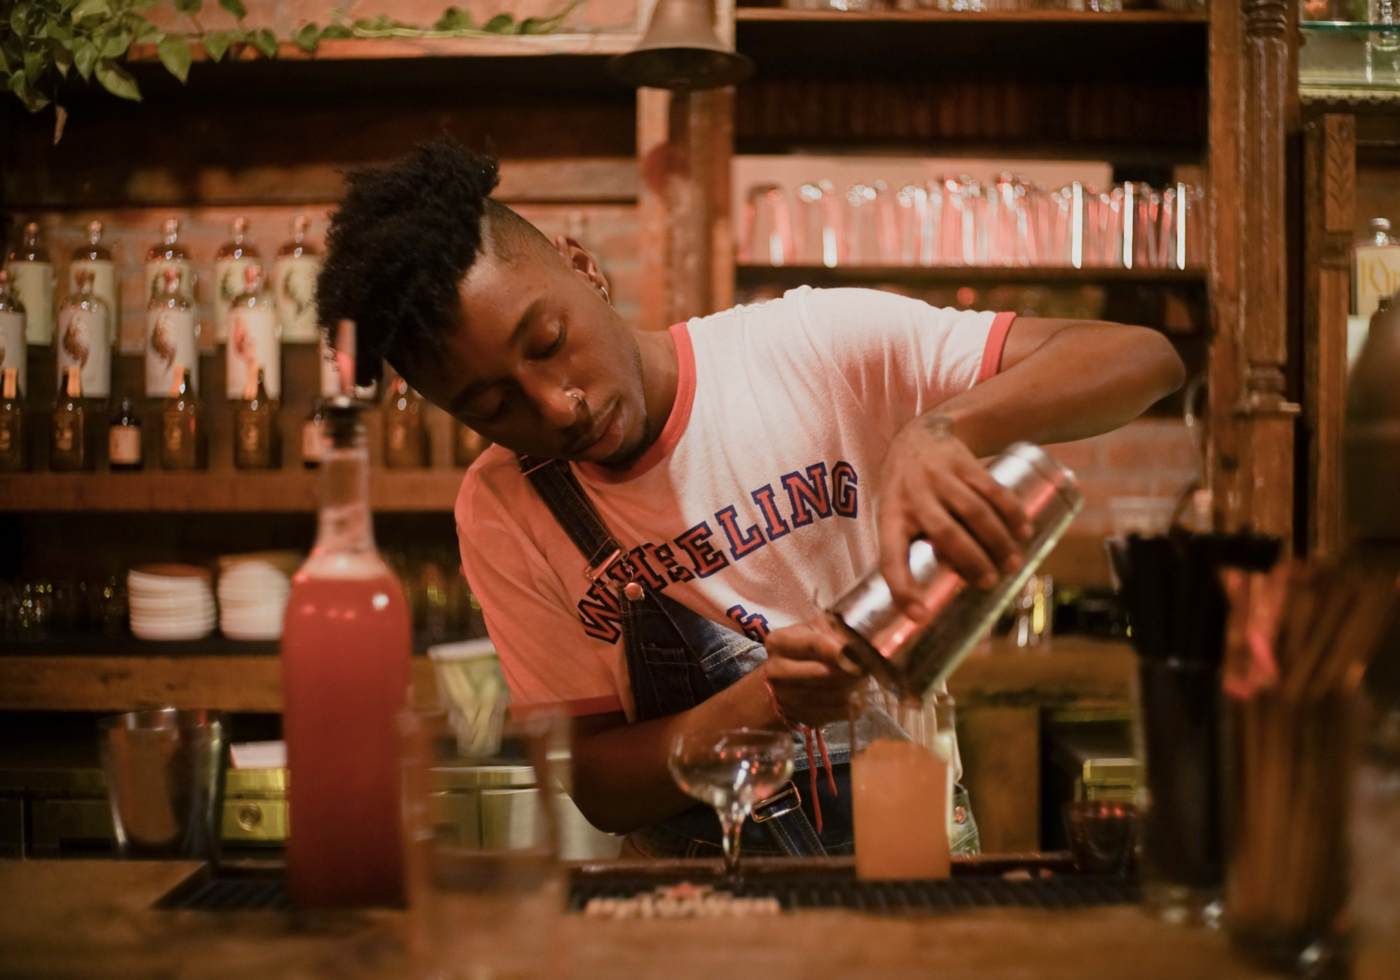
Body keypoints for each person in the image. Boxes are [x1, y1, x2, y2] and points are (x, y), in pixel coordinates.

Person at [317, 135, 1186, 856]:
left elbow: (1142, 358)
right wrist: (766, 702)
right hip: (695, 899)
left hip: (900, 840)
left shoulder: (812, 348)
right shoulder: (505, 507)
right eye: (492, 406)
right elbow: (597, 788)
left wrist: (946, 429)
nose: (557, 405)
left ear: (584, 268)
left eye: (548, 341)